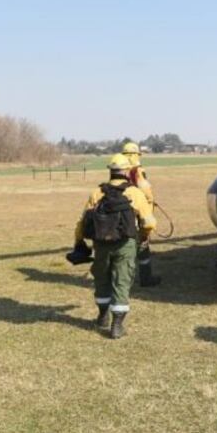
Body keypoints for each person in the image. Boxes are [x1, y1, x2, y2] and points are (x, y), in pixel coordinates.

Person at [74, 153, 157, 338]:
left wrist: (79, 242)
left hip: (101, 244)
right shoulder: (134, 193)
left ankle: (102, 316)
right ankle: (117, 325)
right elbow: (149, 223)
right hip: (125, 244)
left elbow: (82, 222)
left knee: (102, 278)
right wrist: (142, 237)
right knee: (122, 280)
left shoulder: (97, 193)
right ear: (127, 171)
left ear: (110, 171)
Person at [121, 142, 161, 287]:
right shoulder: (137, 170)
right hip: (137, 212)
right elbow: (145, 190)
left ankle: (122, 279)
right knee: (142, 245)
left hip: (120, 214)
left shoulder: (118, 169)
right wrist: (150, 202)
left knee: (123, 246)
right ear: (137, 155)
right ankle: (146, 278)